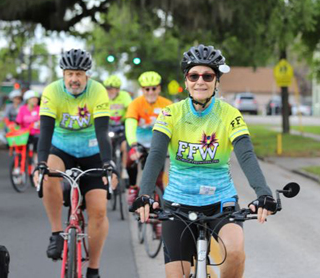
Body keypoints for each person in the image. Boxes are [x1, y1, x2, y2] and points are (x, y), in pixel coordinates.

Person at [130, 44, 277, 278]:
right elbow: (156, 155)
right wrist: (145, 193)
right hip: (178, 204)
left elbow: (246, 154)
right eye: (193, 75)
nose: (200, 81)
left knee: (236, 253)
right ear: (186, 81)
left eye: (208, 75)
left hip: (221, 202)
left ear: (217, 81)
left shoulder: (230, 114)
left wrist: (263, 193)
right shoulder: (170, 114)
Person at [34, 48, 118, 278]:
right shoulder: (52, 91)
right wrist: (40, 163)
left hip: (93, 151)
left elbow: (103, 131)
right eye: (70, 73)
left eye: (79, 74)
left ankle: (94, 269)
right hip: (62, 149)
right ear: (63, 74)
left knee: (99, 211)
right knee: (48, 172)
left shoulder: (98, 91)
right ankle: (56, 233)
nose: (74, 79)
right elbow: (46, 130)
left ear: (87, 76)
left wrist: (108, 163)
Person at [125, 71, 172, 205]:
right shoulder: (135, 104)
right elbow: (130, 125)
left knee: (158, 180)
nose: (150, 92)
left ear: (159, 88)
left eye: (154, 88)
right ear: (142, 90)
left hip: (158, 145)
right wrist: (133, 145)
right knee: (130, 160)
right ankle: (133, 187)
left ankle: (160, 214)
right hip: (138, 141)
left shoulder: (167, 104)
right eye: (147, 89)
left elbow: (175, 127)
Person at [16, 90, 40, 163]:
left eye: (36, 98)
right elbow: (18, 121)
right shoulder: (22, 109)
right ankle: (20, 164)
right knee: (21, 150)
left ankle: (36, 164)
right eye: (33, 98)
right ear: (28, 100)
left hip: (36, 134)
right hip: (25, 134)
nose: (35, 100)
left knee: (37, 148)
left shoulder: (40, 109)